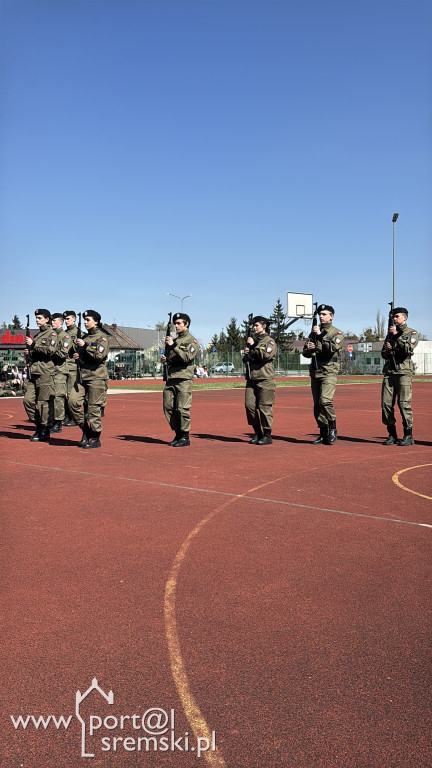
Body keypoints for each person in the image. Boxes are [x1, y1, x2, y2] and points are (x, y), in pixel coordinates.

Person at [303, 304, 344, 445]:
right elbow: (305, 352)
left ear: (331, 316)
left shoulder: (336, 333)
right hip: (316, 370)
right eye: (320, 314)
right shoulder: (313, 333)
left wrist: (320, 336)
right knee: (317, 404)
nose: (321, 316)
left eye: (324, 314)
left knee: (325, 401)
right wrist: (309, 348)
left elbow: (333, 347)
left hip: (329, 370)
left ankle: (333, 428)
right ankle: (322, 432)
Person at [68, 310, 109, 448]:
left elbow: (99, 356)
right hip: (82, 376)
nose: (85, 322)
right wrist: (77, 355)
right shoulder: (84, 337)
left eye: (88, 320)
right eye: (84, 320)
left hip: (96, 377)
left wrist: (84, 347)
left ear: (96, 321)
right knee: (73, 402)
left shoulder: (102, 338)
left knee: (93, 408)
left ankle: (95, 437)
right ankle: (86, 429)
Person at [381, 307, 418, 446]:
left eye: (397, 317)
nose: (395, 319)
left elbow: (409, 348)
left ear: (405, 318)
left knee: (404, 404)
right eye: (393, 317)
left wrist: (397, 335)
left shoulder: (411, 333)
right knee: (386, 404)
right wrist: (388, 350)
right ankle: (392, 434)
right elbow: (383, 353)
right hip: (390, 372)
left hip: (403, 372)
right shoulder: (389, 334)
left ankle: (408, 435)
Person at [161, 312, 198, 447]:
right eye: (175, 323)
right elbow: (173, 358)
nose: (176, 326)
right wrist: (166, 359)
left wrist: (173, 346)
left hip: (183, 379)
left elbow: (186, 357)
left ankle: (185, 436)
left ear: (186, 324)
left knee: (182, 408)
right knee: (168, 407)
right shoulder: (175, 341)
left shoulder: (191, 341)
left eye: (179, 323)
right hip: (171, 378)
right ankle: (178, 432)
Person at [23, 309, 58, 442]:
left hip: (45, 372)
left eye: (39, 318)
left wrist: (34, 345)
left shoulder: (52, 334)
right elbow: (36, 352)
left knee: (43, 403)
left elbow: (50, 350)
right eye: (36, 318)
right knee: (28, 401)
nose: (37, 320)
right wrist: (29, 352)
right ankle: (39, 425)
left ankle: (44, 430)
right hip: (34, 372)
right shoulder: (38, 335)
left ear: (47, 319)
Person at [243, 316, 277, 445]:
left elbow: (265, 355)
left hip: (265, 378)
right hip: (252, 378)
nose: (254, 327)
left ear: (264, 326)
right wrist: (247, 354)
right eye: (253, 325)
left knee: (264, 407)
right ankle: (257, 432)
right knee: (249, 406)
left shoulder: (270, 342)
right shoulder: (254, 342)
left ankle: (267, 434)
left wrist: (253, 346)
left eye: (257, 325)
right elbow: (247, 360)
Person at [50, 313, 73, 433]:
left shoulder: (65, 337)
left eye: (54, 321)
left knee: (58, 396)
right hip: (48, 370)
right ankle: (49, 419)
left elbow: (63, 353)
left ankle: (58, 422)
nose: (52, 323)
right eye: (51, 321)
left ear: (61, 322)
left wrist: (49, 350)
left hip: (59, 370)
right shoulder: (50, 335)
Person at [62, 310, 79, 426]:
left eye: (68, 319)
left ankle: (75, 418)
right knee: (63, 394)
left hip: (73, 366)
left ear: (74, 319)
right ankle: (67, 416)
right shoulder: (64, 333)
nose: (66, 321)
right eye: (65, 319)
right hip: (64, 366)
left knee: (70, 394)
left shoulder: (79, 333)